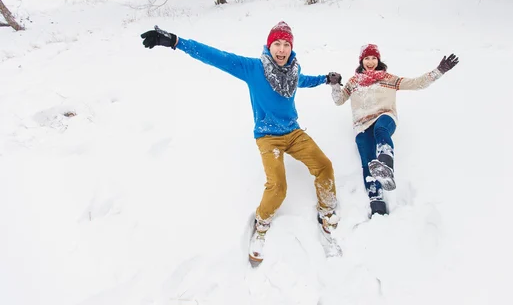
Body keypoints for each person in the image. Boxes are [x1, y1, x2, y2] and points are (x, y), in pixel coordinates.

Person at [141, 22, 341, 265]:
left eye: (286, 44)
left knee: (324, 166)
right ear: (269, 45)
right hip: (268, 137)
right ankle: (262, 223)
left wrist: (325, 79)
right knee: (277, 187)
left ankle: (327, 211)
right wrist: (175, 41)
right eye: (277, 43)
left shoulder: (293, 72)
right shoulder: (253, 68)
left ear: (291, 48)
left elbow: (304, 80)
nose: (281, 49)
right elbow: (215, 56)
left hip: (294, 133)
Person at [327, 44, 459, 217]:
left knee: (381, 130)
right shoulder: (354, 82)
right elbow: (339, 100)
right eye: (367, 58)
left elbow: (416, 83)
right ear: (361, 61)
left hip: (385, 116)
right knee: (367, 160)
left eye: (374, 58)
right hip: (362, 124)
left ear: (378, 60)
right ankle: (377, 202)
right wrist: (335, 85)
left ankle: (386, 163)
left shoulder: (388, 78)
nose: (370, 62)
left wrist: (439, 71)